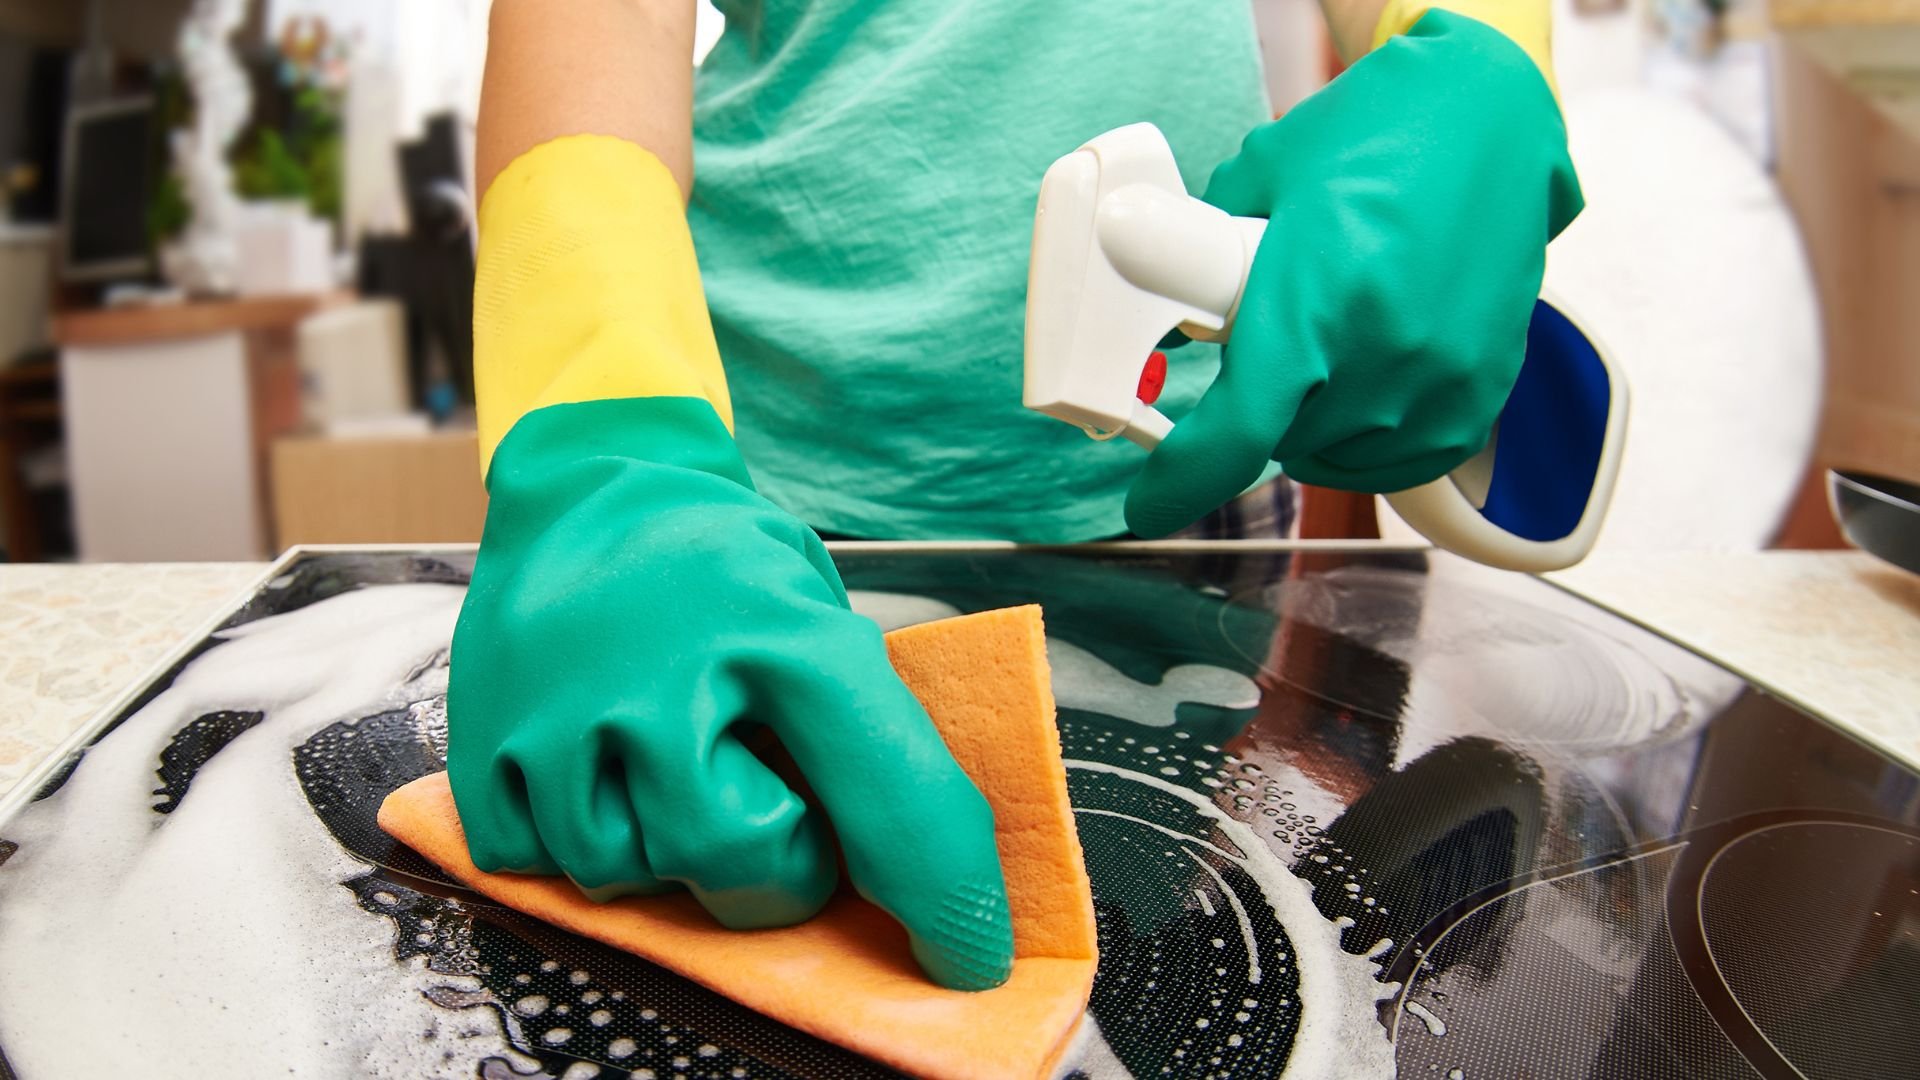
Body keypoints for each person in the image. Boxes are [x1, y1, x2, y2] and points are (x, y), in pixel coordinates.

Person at [445, 0, 1582, 991]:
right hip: (769, 496)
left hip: (1200, 445)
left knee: (1153, 929)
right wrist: (609, 424)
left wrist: (1474, 58)